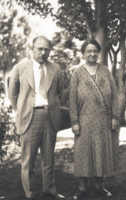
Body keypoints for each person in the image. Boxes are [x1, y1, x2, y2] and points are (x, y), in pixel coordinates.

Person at [9, 36, 65, 200]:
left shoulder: (56, 68)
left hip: (50, 116)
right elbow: (13, 94)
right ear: (32, 49)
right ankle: (31, 193)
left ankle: (49, 190)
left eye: (46, 49)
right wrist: (22, 110)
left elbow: (59, 92)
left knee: (49, 159)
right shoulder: (20, 68)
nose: (43, 52)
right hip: (29, 117)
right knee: (28, 160)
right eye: (39, 49)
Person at [70, 39, 120, 200]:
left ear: (98, 53)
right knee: (82, 153)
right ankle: (82, 188)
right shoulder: (77, 73)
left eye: (95, 51)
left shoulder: (105, 71)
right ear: (83, 54)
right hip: (83, 121)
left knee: (100, 152)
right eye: (88, 51)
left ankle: (99, 187)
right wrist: (74, 121)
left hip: (103, 121)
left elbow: (114, 95)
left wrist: (115, 117)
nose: (92, 54)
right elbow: (72, 100)